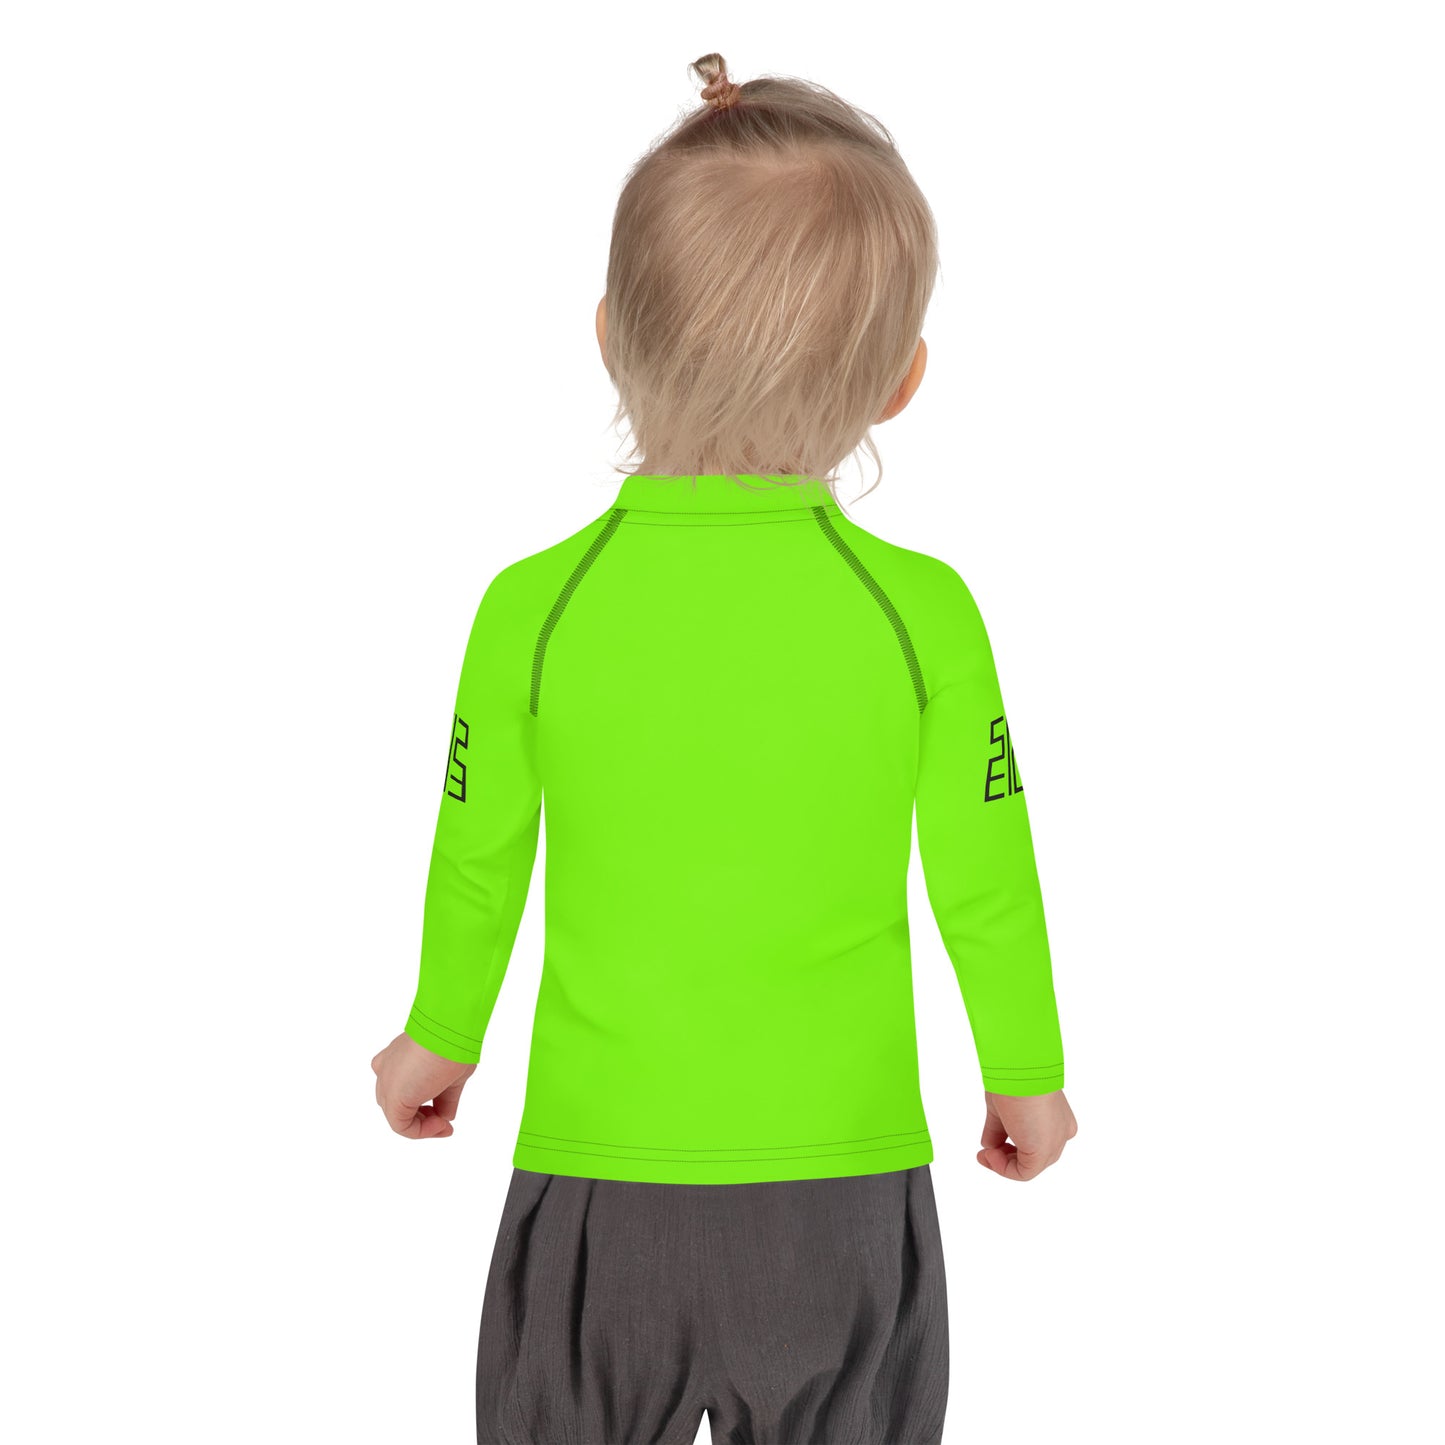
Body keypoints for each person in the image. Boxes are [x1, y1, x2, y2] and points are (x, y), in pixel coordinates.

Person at [372, 51, 1077, 1445]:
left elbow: (478, 853)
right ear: (901, 381)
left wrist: (439, 1034)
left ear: (606, 336)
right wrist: (1026, 1069)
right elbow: (986, 875)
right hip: (842, 1193)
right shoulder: (918, 612)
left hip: (596, 1186)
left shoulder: (535, 607)